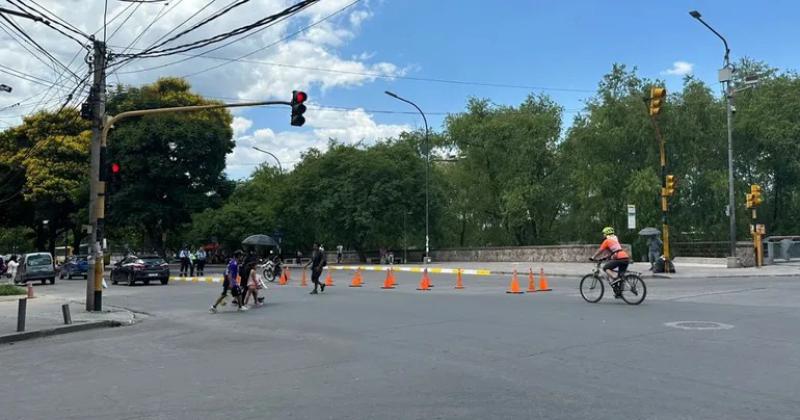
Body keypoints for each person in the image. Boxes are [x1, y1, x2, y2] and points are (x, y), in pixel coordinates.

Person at [590, 227, 631, 298]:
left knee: (605, 268)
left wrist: (593, 257)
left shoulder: (607, 241)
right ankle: (619, 293)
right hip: (625, 258)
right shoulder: (615, 239)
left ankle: (614, 277)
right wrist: (605, 258)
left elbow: (600, 250)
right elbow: (613, 251)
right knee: (621, 276)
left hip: (619, 258)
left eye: (604, 233)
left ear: (606, 234)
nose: (603, 235)